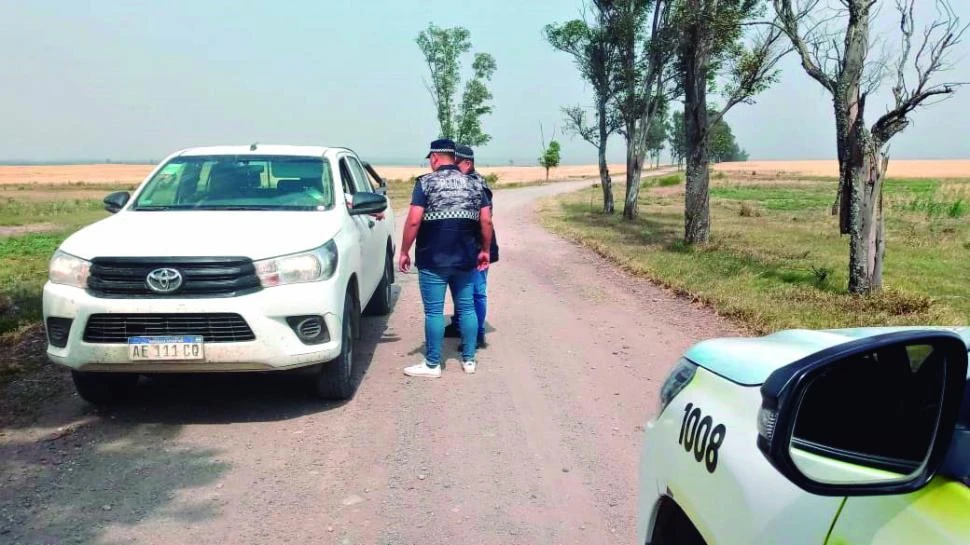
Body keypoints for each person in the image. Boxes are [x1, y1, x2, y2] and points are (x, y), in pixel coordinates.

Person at [399, 138, 492, 377]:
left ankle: (432, 364)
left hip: (433, 260)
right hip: (465, 259)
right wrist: (485, 250)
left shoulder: (425, 183)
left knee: (433, 312)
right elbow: (486, 221)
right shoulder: (475, 184)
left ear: (434, 157)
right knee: (467, 308)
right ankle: (469, 360)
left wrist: (404, 250)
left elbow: (413, 220)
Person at [444, 144, 498, 349]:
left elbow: (484, 220)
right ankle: (459, 324)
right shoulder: (460, 181)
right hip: (461, 245)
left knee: (475, 291)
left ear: (467, 163)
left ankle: (477, 334)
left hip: (476, 245)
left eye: (454, 163)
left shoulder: (478, 185)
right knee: (461, 288)